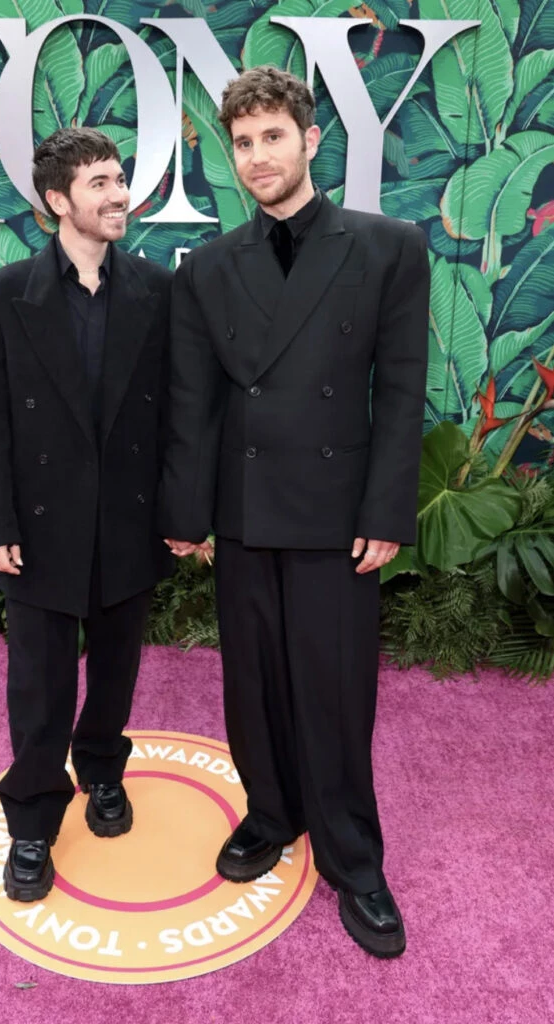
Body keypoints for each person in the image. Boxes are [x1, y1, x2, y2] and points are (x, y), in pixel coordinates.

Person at [158, 66, 430, 959]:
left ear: (311, 141)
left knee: (336, 688)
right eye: (242, 143)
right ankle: (269, 815)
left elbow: (399, 395)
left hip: (335, 512)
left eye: (272, 137)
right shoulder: (208, 268)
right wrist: (185, 514)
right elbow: (193, 400)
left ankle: (355, 859)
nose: (256, 156)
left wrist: (387, 508)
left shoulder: (388, 246)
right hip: (240, 510)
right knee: (252, 681)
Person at [0, 128, 173, 902]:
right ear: (58, 201)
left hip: (128, 520)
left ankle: (103, 772)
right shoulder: (2, 296)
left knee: (115, 673)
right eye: (101, 184)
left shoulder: (154, 289)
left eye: (119, 179)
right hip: (40, 528)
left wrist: (179, 512)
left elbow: (176, 413)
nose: (119, 194)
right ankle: (31, 822)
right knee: (39, 686)